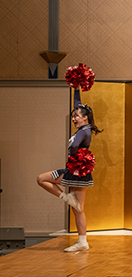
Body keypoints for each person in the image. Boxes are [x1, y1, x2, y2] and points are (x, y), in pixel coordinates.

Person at [37, 88, 102, 252]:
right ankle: (82, 242)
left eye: (76, 116)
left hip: (75, 172)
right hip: (77, 171)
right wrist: (77, 89)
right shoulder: (84, 128)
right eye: (73, 116)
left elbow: (74, 145)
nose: (73, 119)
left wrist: (73, 156)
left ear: (85, 117)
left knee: (42, 179)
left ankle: (66, 198)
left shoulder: (84, 131)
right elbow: (77, 105)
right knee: (78, 209)